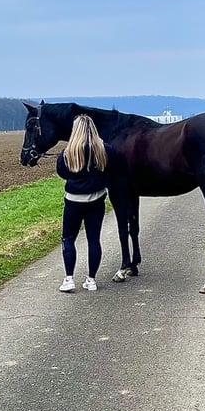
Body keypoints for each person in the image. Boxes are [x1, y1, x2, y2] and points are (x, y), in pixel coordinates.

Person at [55, 114, 115, 293]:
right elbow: (114, 167)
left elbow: (62, 174)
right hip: (96, 200)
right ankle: (91, 279)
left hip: (73, 201)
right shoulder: (105, 150)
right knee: (93, 240)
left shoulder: (67, 154)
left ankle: (69, 278)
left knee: (68, 239)